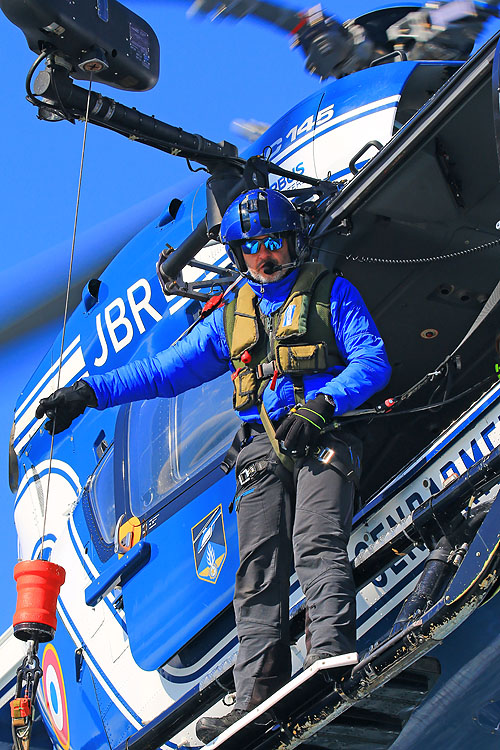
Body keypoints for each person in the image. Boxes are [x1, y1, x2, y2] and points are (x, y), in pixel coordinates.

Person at [36, 188, 391, 744]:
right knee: (256, 570)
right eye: (251, 249)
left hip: (325, 435)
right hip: (260, 451)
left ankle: (330, 654)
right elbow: (161, 372)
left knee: (317, 541)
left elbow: (372, 361)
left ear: (290, 241)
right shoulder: (231, 317)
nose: (263, 256)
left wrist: (325, 405)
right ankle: (257, 693)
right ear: (238, 256)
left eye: (272, 242)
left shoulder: (330, 295)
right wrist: (88, 393)